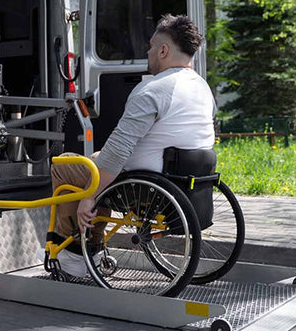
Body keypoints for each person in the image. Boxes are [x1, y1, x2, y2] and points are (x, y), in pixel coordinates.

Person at [49, 14, 216, 277]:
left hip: (143, 188)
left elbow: (118, 151)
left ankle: (75, 253)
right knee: (96, 158)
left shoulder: (153, 89)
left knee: (65, 164)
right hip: (184, 182)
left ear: (163, 50)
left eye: (151, 46)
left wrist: (89, 197)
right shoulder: (202, 88)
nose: (148, 52)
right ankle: (93, 241)